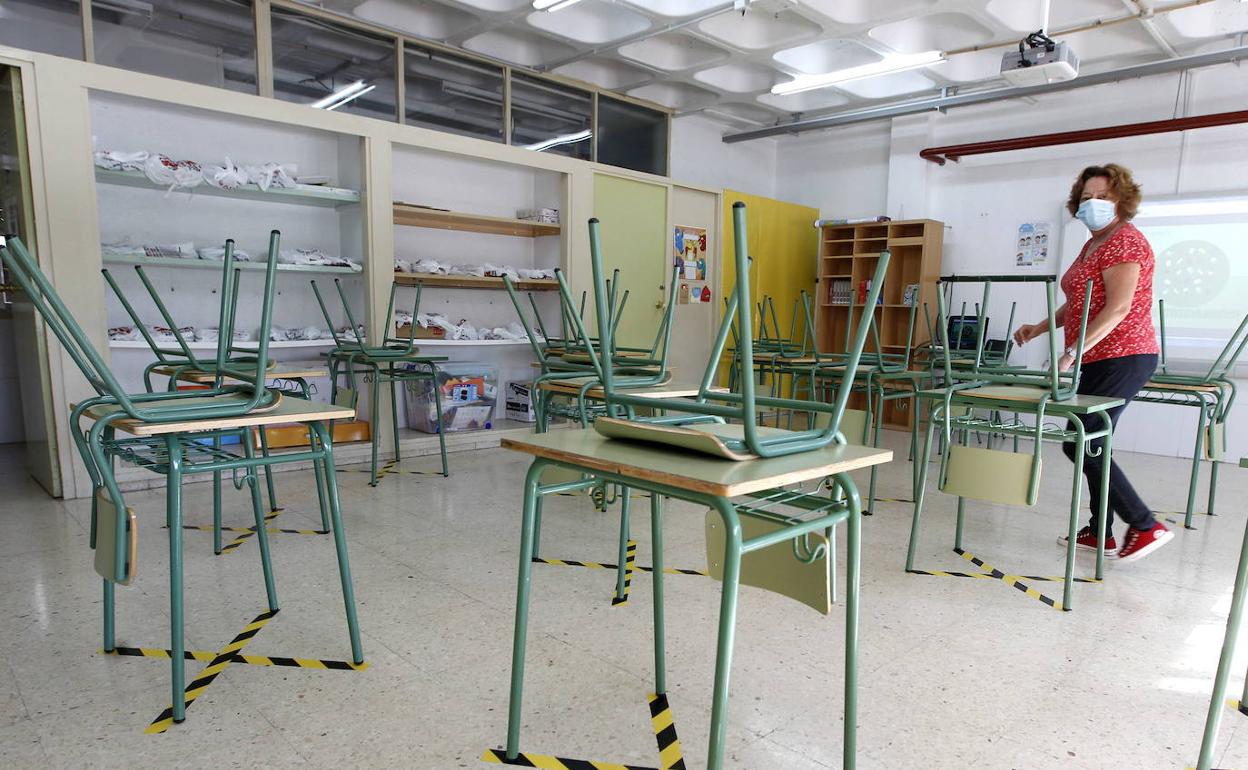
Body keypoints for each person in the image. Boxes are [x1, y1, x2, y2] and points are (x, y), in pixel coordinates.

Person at [1013, 163, 1173, 563]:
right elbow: (1082, 304)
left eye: (1103, 197)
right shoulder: (1092, 245)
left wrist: (1071, 352)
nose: (1093, 204)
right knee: (1089, 440)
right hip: (1102, 356)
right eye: (1087, 198)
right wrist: (1040, 327)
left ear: (1121, 200)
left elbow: (1118, 308)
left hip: (1127, 354)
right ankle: (1099, 532)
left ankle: (1143, 524)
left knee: (1084, 440)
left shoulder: (1126, 242)